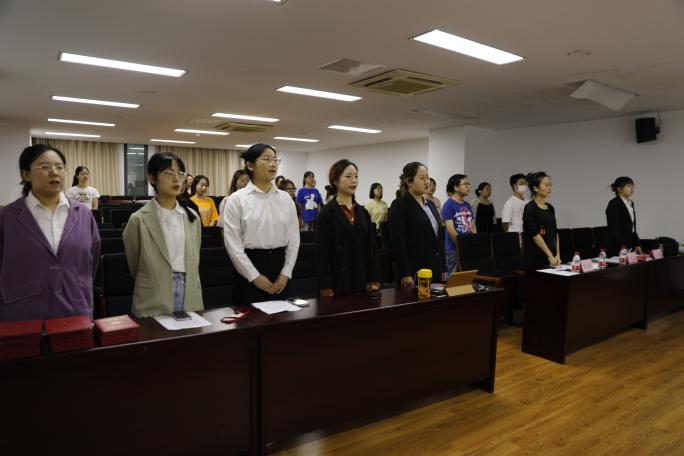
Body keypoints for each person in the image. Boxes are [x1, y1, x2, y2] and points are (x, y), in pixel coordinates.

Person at [0, 144, 100, 321]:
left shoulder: (84, 215)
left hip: (76, 310)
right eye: (45, 167)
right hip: (23, 314)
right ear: (26, 174)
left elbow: (91, 262)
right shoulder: (7, 217)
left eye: (59, 167)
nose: (54, 172)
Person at [122, 153, 203, 317]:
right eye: (168, 173)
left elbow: (195, 257)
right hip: (154, 294)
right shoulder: (138, 219)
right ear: (152, 178)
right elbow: (134, 264)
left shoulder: (192, 217)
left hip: (190, 291)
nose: (176, 179)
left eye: (180, 173)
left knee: (191, 332)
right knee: (156, 333)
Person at [223, 144, 300, 305]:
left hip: (280, 268)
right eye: (266, 159)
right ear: (250, 165)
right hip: (248, 268)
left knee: (282, 317)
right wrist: (254, 276)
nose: (273, 164)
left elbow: (294, 240)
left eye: (275, 159)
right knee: (249, 318)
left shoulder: (286, 199)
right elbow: (233, 245)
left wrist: (286, 273)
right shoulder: (237, 199)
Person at [316, 160, 381, 297]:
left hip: (361, 280)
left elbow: (371, 249)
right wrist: (325, 287)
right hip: (337, 281)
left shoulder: (363, 212)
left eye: (356, 176)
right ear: (335, 180)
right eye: (348, 176)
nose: (354, 180)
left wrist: (374, 278)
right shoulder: (326, 213)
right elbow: (322, 254)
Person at [389, 162, 446, 288]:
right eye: (422, 178)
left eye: (428, 177)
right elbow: (398, 243)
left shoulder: (431, 205)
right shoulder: (400, 205)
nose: (427, 182)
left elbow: (438, 238)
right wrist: (405, 273)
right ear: (409, 181)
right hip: (415, 270)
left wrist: (443, 266)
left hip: (435, 268)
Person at [522, 171, 560, 270]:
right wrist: (549, 255)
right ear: (536, 188)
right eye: (546, 185)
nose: (549, 188)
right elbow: (535, 235)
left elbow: (555, 232)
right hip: (536, 256)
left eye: (550, 185)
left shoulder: (550, 208)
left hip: (552, 256)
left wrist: (557, 254)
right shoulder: (530, 208)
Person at [442, 174, 476, 275]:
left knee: (467, 276)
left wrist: (475, 242)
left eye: (469, 184)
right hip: (454, 248)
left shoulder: (467, 205)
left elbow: (473, 226)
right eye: (465, 184)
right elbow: (450, 230)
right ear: (456, 187)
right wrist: (461, 245)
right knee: (453, 277)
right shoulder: (448, 205)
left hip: (468, 246)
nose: (468, 187)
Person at [605, 176, 642, 256]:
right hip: (617, 247)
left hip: (629, 245)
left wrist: (637, 243)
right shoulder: (614, 203)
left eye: (632, 186)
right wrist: (623, 247)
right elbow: (614, 228)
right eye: (628, 186)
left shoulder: (631, 203)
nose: (632, 188)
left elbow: (632, 228)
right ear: (619, 189)